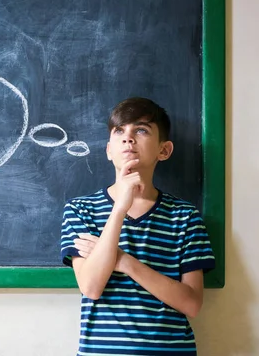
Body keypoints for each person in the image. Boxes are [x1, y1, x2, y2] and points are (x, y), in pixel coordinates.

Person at [60, 97, 215, 355]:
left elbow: (192, 304)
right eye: (119, 131)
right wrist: (120, 208)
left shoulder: (185, 217)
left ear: (163, 150)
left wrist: (124, 262)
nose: (128, 138)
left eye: (141, 130)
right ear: (109, 150)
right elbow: (91, 286)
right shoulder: (80, 210)